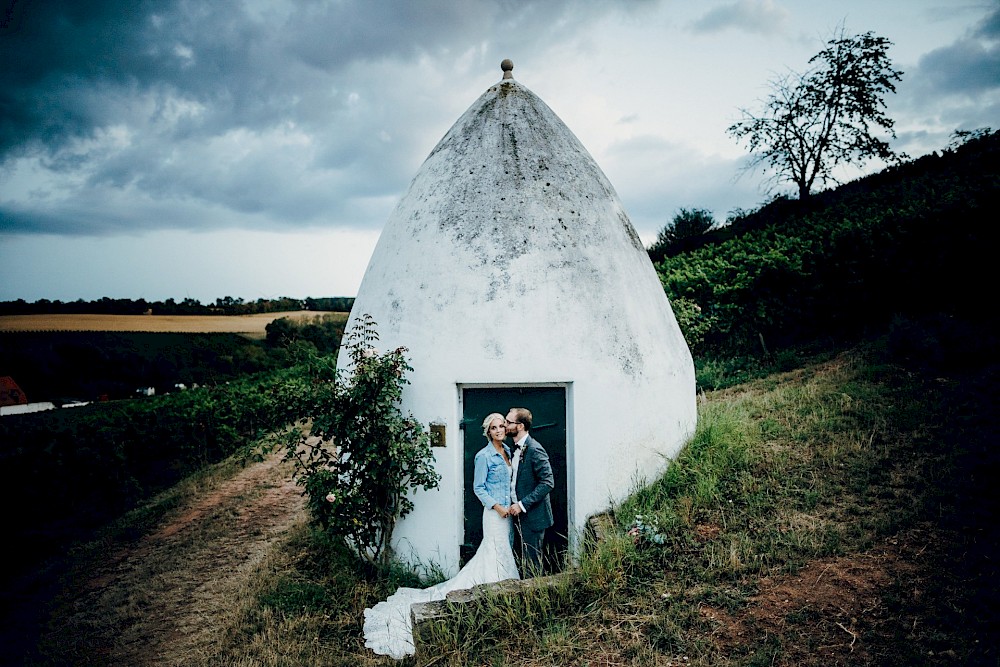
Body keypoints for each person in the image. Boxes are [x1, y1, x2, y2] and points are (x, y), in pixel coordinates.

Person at [362, 413, 519, 659]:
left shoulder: (507, 451)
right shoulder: (483, 456)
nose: (499, 430)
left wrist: (511, 506)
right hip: (494, 515)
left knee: (503, 551)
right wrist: (498, 507)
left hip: (508, 514)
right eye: (494, 427)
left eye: (501, 426)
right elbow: (478, 488)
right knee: (495, 551)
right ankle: (491, 593)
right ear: (487, 431)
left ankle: (504, 596)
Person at [505, 407, 554, 577]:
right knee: (523, 561)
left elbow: (548, 483)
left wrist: (522, 504)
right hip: (518, 516)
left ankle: (534, 598)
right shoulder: (514, 448)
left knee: (532, 564)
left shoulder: (534, 449)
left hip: (534, 516)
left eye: (508, 422)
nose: (505, 425)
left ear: (520, 426)